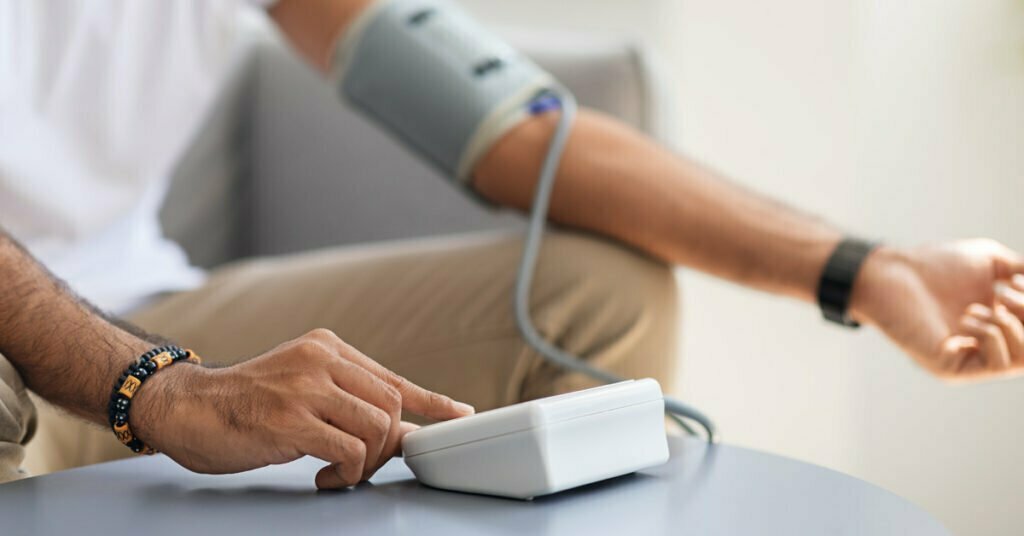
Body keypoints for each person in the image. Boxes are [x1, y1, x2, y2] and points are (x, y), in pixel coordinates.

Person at [2, 0, 1023, 489]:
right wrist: (163, 389)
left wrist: (865, 267)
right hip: (20, 360)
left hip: (137, 304)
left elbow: (516, 132)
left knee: (603, 292)